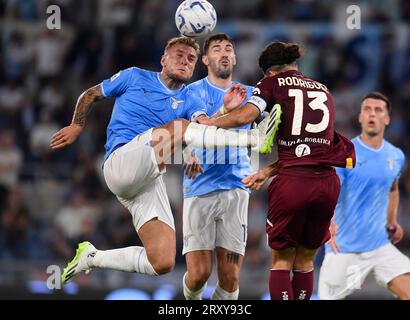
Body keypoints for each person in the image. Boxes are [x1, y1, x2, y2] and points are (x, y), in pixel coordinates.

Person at [49, 36, 259, 284]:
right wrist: (76, 125)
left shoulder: (191, 99)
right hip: (121, 162)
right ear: (163, 59)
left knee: (162, 261)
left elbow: (202, 126)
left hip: (147, 179)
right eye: (179, 55)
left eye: (191, 59)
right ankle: (252, 139)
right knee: (180, 126)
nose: (185, 61)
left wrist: (224, 112)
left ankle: (92, 257)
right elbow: (91, 94)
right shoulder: (134, 76)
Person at [198, 40, 355, 300]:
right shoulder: (324, 91)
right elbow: (311, 149)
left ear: (270, 72)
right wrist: (268, 171)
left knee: (281, 261)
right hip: (327, 183)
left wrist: (211, 123)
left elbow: (246, 115)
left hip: (293, 184)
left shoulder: (272, 84)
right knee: (305, 261)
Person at [181, 33, 254, 300]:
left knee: (231, 277)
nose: (224, 53)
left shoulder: (251, 94)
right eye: (217, 49)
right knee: (199, 274)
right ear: (205, 59)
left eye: (228, 49)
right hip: (200, 187)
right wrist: (188, 151)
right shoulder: (192, 91)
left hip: (236, 188)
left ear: (234, 58)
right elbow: (189, 129)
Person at [318, 92, 410, 300]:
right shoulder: (344, 153)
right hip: (344, 249)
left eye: (378, 110)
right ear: (360, 117)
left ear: (387, 119)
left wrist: (392, 222)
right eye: (367, 109)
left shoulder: (396, 156)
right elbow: (329, 191)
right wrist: (329, 224)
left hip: (379, 246)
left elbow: (393, 188)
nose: (372, 114)